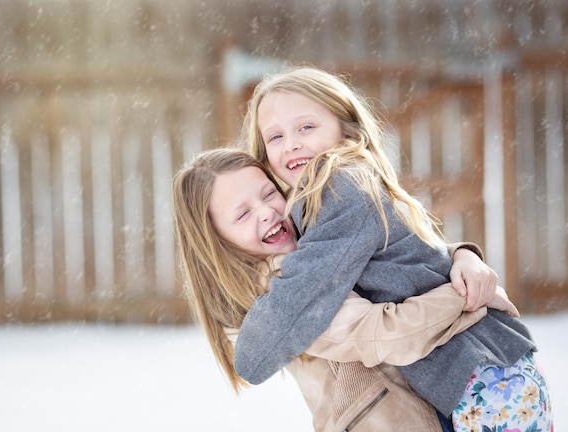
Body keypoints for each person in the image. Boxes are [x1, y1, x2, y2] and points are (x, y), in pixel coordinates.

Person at [234, 66, 553, 431]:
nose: (291, 143)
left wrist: (251, 355)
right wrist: (463, 253)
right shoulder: (330, 196)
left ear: (346, 130)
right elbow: (417, 255)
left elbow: (304, 293)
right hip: (480, 376)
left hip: (484, 379)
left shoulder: (343, 187)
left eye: (306, 127)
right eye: (275, 136)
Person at [172, 147, 518, 432]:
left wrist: (462, 256)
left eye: (268, 194)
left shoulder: (308, 247)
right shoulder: (286, 295)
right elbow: (386, 334)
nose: (266, 212)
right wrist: (465, 296)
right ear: (216, 241)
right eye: (243, 214)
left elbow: (396, 253)